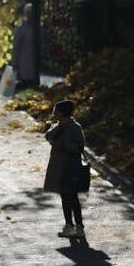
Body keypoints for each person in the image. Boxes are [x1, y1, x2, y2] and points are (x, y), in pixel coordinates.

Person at [43, 99, 87, 238]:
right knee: (64, 197)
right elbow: (48, 136)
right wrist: (60, 126)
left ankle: (79, 227)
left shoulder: (75, 127)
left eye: (55, 111)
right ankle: (69, 225)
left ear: (62, 112)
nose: (53, 113)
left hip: (71, 167)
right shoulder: (57, 126)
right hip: (59, 168)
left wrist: (64, 147)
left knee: (73, 197)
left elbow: (80, 147)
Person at [11, 4, 38, 90]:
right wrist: (15, 63)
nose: (31, 15)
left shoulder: (38, 28)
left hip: (35, 63)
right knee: (25, 85)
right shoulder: (20, 29)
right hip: (24, 64)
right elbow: (16, 47)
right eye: (29, 13)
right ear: (26, 14)